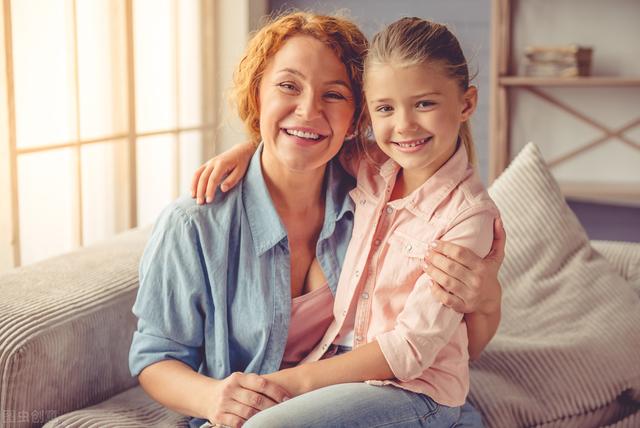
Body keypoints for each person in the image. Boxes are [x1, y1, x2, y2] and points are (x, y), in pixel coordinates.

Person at [130, 12, 504, 428]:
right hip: (272, 408)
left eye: (334, 95)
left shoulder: (371, 183)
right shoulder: (194, 223)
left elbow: (443, 346)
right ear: (257, 94)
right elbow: (155, 357)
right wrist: (215, 398)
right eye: (288, 86)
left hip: (376, 397)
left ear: (355, 118)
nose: (308, 110)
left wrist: (487, 300)